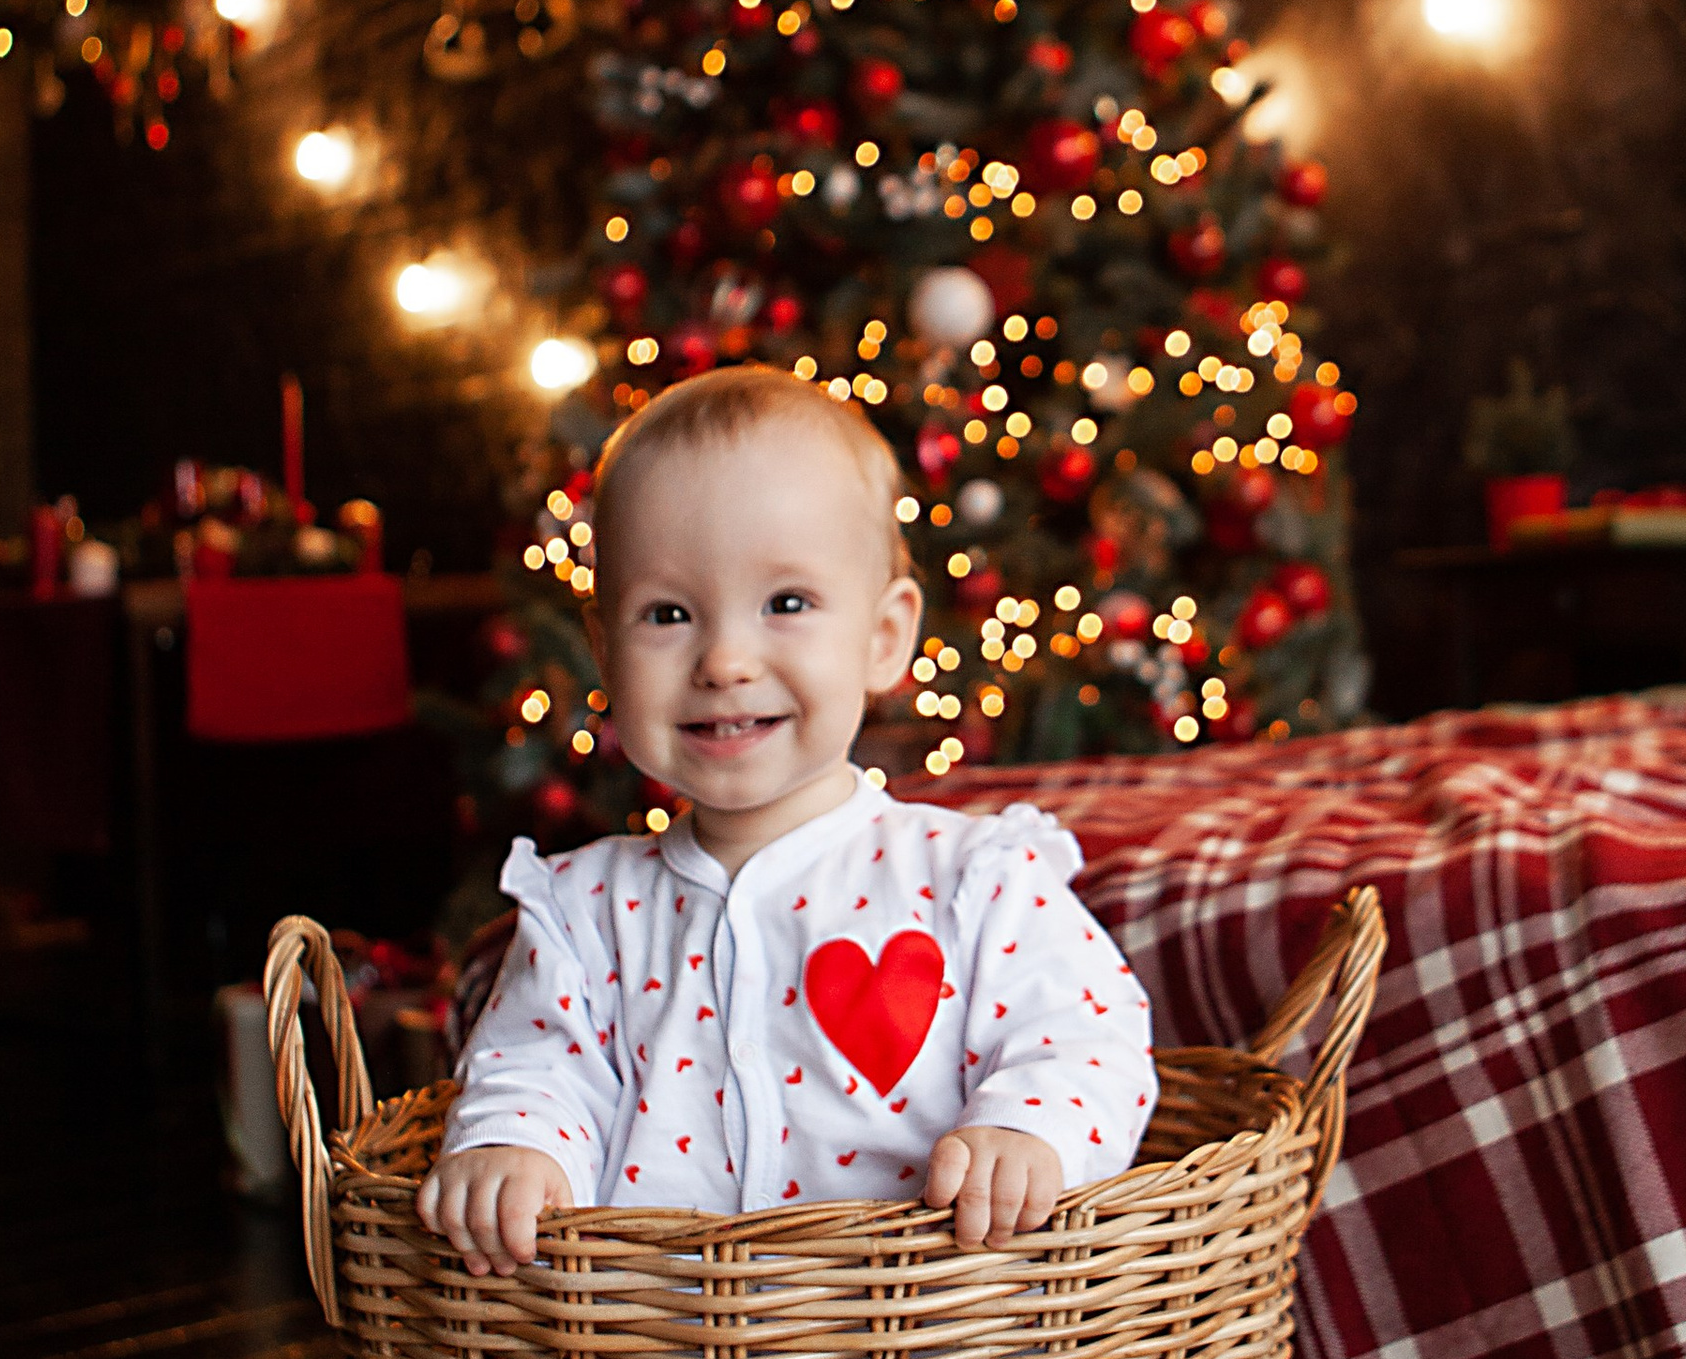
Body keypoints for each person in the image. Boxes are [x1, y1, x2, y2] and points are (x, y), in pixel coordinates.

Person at [418, 365, 1157, 1276]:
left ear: (884, 639)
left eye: (787, 604)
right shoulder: (584, 916)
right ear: (603, 650)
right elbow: (534, 1067)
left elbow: (1086, 1036)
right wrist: (514, 1151)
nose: (725, 659)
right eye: (668, 614)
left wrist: (1026, 1131)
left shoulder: (973, 878)